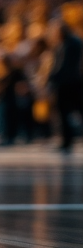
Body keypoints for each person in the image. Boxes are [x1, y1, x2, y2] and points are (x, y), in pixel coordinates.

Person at [48, 20, 83, 153]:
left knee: (70, 111)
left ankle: (67, 141)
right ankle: (66, 140)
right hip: (68, 82)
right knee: (66, 112)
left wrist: (52, 78)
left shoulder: (71, 43)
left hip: (69, 82)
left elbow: (64, 65)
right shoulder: (64, 43)